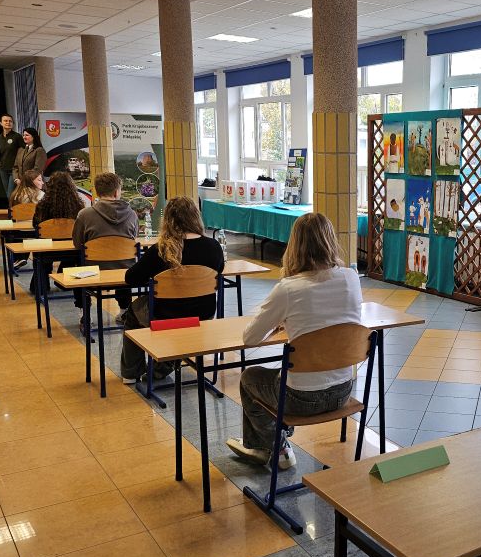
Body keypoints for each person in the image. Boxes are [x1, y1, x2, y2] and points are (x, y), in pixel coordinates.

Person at [226, 213, 363, 471]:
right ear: (331, 241)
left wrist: (281, 321)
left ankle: (273, 447)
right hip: (343, 391)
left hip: (300, 399)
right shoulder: (351, 277)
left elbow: (250, 338)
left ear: (295, 245)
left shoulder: (289, 288)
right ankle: (274, 444)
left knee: (249, 378)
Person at [120, 196, 224, 381]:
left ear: (167, 219)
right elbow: (219, 270)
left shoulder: (160, 250)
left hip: (165, 315)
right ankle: (162, 367)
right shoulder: (214, 247)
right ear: (196, 216)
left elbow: (131, 278)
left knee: (133, 312)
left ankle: (131, 373)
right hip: (203, 314)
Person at [72, 172, 138, 326]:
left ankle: (84, 312)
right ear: (116, 192)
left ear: (96, 192)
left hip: (93, 271)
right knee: (124, 263)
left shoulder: (84, 215)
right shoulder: (132, 214)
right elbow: (132, 239)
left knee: (77, 264)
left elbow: (78, 243)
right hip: (125, 272)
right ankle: (124, 310)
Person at [29, 171, 84, 293]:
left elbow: (36, 225)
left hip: (47, 248)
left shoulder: (43, 205)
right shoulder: (79, 205)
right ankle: (64, 280)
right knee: (72, 253)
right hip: (72, 248)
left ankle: (41, 285)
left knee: (41, 255)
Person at [0, 114, 25, 199]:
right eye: (5, 121)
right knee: (8, 194)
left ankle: (14, 208)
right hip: (3, 169)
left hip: (14, 170)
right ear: (1, 123)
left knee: (10, 194)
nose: (8, 122)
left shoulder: (17, 136)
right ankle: (12, 207)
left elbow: (24, 152)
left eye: (10, 121)